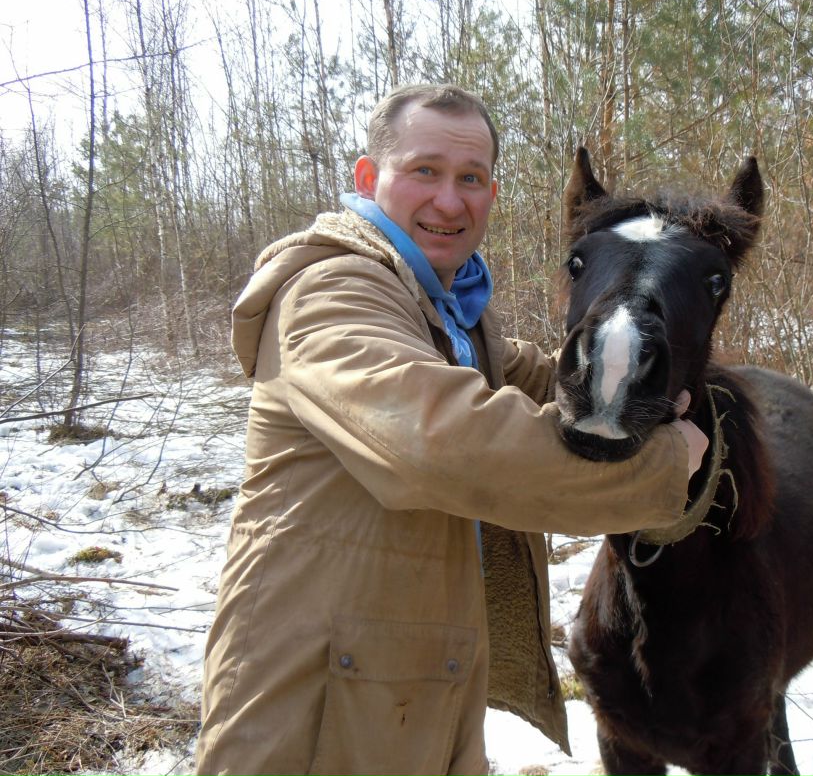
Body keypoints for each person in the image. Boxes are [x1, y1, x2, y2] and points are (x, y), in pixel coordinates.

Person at [195, 84, 707, 776]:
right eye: (424, 171)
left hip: (416, 688)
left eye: (471, 178)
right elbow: (444, 445)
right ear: (369, 180)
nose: (449, 200)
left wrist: (640, 361)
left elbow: (535, 375)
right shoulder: (331, 292)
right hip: (313, 709)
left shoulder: (451, 311)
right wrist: (664, 466)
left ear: (492, 194)